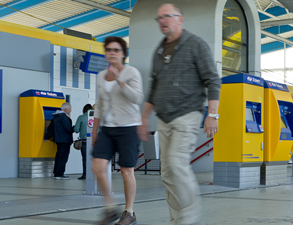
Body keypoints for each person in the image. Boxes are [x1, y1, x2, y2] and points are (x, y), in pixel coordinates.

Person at [140, 4, 221, 224]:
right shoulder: (159, 49)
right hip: (164, 118)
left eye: (167, 16)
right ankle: (177, 220)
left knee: (176, 164)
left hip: (187, 114)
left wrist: (212, 114)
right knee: (167, 174)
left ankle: (189, 214)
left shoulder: (196, 45)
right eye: (159, 18)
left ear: (180, 19)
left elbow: (213, 80)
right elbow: (154, 86)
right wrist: (144, 117)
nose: (162, 21)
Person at [92, 36, 145, 225]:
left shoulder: (132, 72)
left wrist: (119, 80)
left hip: (129, 128)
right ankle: (110, 207)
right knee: (97, 167)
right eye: (109, 50)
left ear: (123, 54)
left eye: (116, 50)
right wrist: (94, 131)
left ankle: (129, 212)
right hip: (107, 128)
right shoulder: (100, 76)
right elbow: (99, 105)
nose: (112, 53)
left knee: (126, 171)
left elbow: (136, 98)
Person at [52, 102, 74, 179]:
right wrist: (75, 128)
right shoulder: (64, 117)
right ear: (65, 109)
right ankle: (60, 174)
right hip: (65, 140)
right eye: (70, 109)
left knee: (58, 156)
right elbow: (68, 129)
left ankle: (56, 172)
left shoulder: (56, 116)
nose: (70, 111)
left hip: (58, 139)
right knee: (63, 157)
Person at [73, 104, 92, 180]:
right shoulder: (95, 118)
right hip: (94, 141)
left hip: (84, 141)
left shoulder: (81, 117)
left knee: (85, 158)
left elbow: (76, 129)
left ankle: (85, 175)